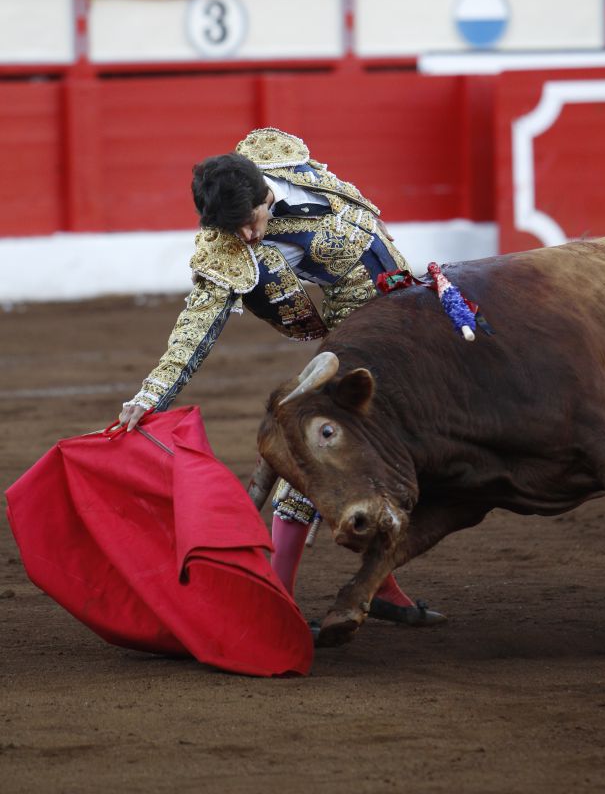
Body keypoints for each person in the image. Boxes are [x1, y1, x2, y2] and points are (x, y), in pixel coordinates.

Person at [119, 126, 446, 628]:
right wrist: (151, 396)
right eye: (234, 233)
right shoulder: (230, 248)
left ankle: (380, 588)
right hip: (364, 343)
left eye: (250, 222)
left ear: (263, 192)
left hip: (416, 305)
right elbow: (196, 328)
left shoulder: (278, 154)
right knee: (324, 459)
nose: (247, 238)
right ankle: (276, 600)